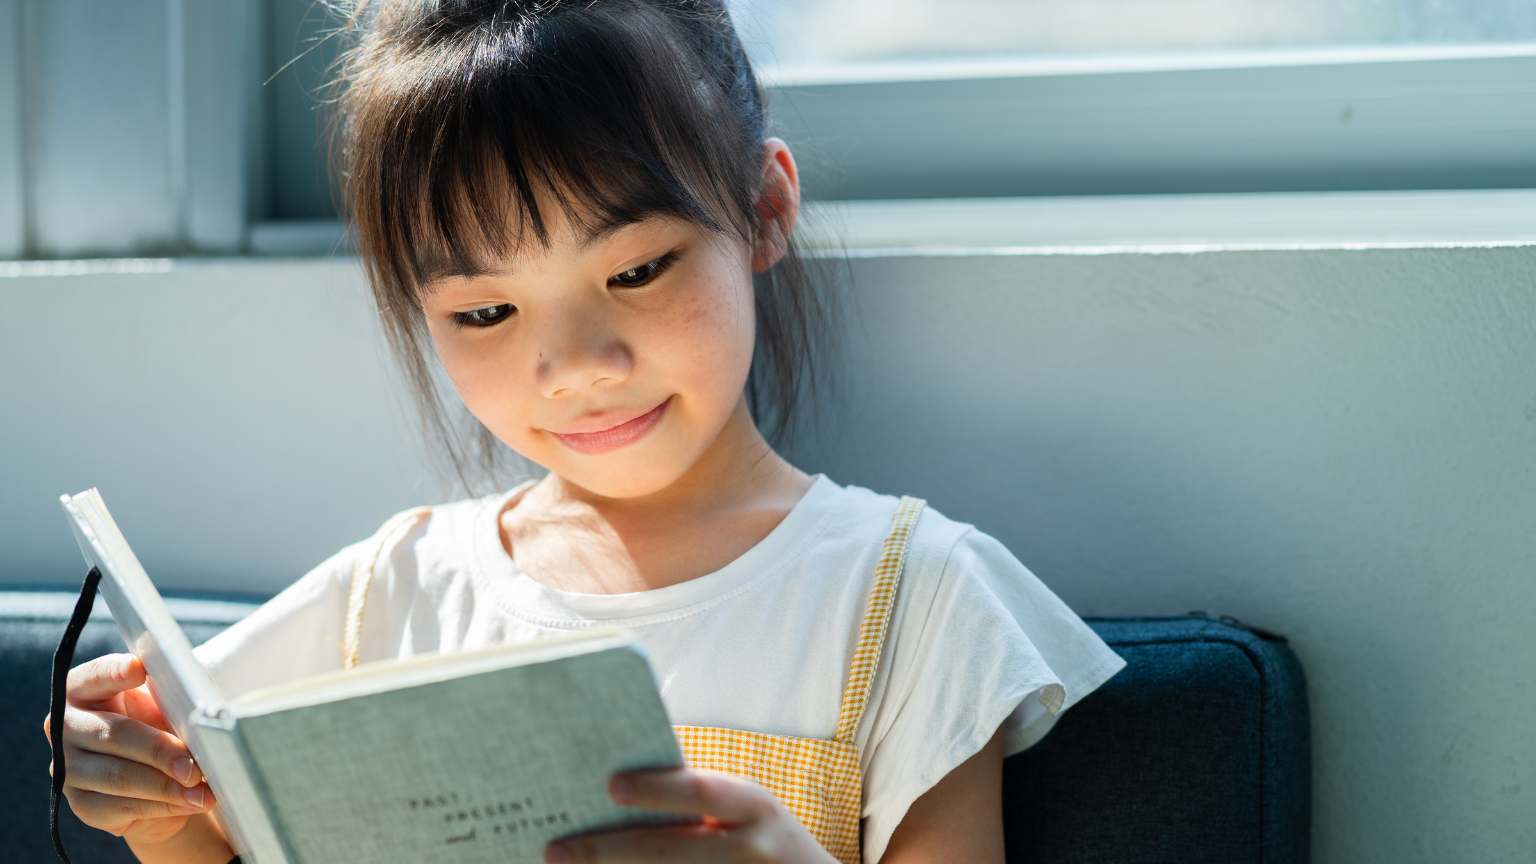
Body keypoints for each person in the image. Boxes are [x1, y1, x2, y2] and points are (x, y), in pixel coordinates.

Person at [44, 1, 1128, 862]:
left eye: (637, 270)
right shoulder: (397, 590)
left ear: (762, 212)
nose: (576, 369)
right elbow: (215, 829)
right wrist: (149, 805)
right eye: (485, 312)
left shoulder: (913, 598)